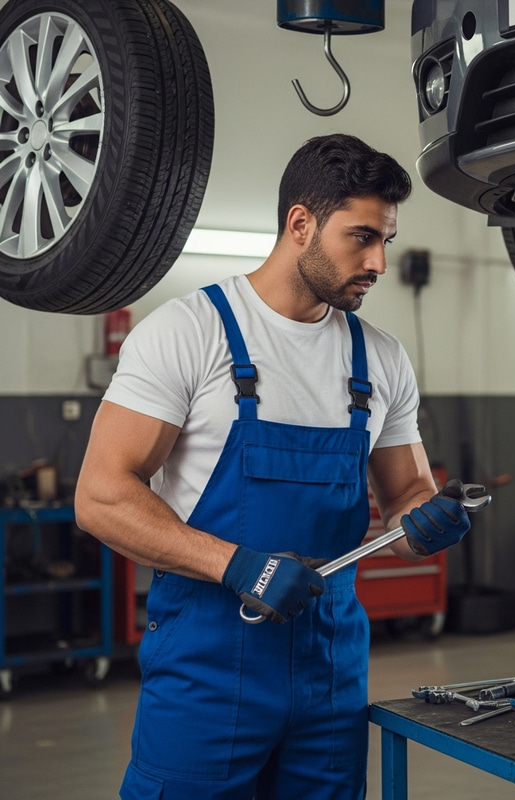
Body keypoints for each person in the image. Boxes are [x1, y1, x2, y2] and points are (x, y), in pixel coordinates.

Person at [74, 133, 476, 800]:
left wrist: (423, 525)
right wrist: (238, 566)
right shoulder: (188, 332)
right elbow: (101, 496)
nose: (378, 260)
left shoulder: (379, 358)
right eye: (361, 237)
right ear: (300, 224)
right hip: (208, 666)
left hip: (331, 672)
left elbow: (407, 496)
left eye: (387, 240)